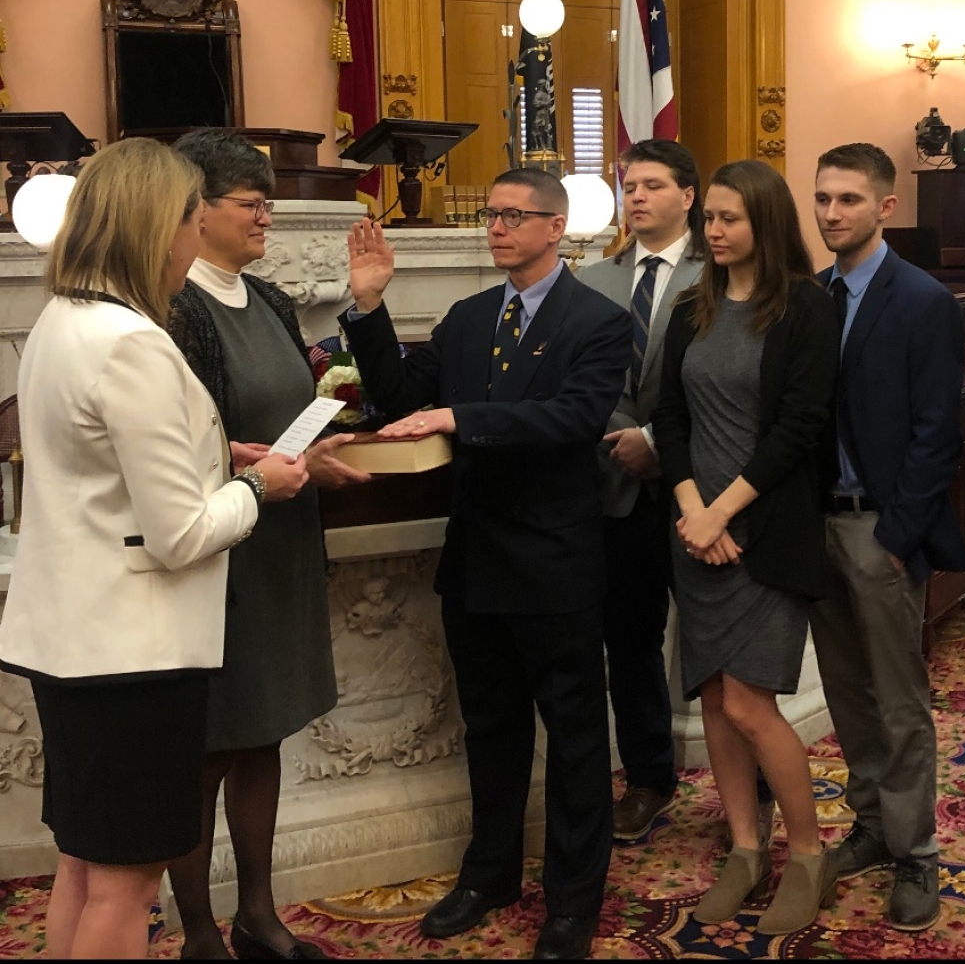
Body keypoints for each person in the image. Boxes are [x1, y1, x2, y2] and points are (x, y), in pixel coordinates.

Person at [0, 139, 308, 960]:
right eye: (186, 220)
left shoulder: (62, 319)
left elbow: (100, 475)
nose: (191, 237)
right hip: (131, 655)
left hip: (69, 637)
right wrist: (258, 488)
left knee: (82, 866)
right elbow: (179, 536)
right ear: (155, 228)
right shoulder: (135, 340)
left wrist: (218, 459)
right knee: (128, 886)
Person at [339, 169, 631, 962]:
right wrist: (370, 306)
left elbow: (573, 417)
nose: (496, 227)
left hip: (554, 563)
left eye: (512, 215)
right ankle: (490, 873)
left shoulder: (600, 320)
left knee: (574, 739)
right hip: (476, 561)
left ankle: (573, 901)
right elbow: (400, 399)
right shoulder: (469, 318)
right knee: (491, 731)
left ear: (557, 226)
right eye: (490, 213)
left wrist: (462, 416)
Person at [163, 131, 370, 961]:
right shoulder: (177, 306)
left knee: (265, 735)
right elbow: (184, 446)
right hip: (221, 555)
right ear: (196, 210)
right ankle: (200, 932)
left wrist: (319, 444)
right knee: (208, 749)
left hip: (283, 543)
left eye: (267, 202)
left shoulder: (272, 299)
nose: (265, 217)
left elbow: (293, 406)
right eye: (250, 203)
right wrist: (273, 469)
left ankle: (258, 915)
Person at [652, 159, 840, 936]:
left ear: (765, 219)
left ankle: (807, 854)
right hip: (698, 535)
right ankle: (742, 847)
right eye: (710, 220)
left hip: (764, 536)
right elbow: (669, 419)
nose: (715, 231)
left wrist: (724, 511)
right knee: (714, 704)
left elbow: (801, 425)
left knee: (752, 704)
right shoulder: (694, 304)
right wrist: (693, 510)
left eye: (729, 218)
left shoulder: (804, 306)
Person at [808, 143, 965, 933]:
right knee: (845, 689)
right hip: (818, 524)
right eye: (822, 199)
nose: (831, 213)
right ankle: (870, 824)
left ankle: (917, 852)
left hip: (883, 526)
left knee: (900, 700)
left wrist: (898, 536)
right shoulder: (811, 295)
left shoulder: (921, 298)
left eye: (847, 199)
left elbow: (939, 430)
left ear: (885, 207)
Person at [577, 140, 705, 841]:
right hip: (614, 489)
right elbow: (582, 379)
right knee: (628, 642)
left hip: (704, 490)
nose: (638, 197)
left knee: (717, 645)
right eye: (630, 186)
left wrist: (657, 442)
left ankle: (749, 800)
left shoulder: (722, 273)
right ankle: (650, 779)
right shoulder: (594, 279)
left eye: (654, 185)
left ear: (689, 194)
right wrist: (626, 437)